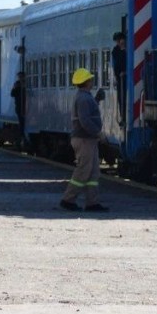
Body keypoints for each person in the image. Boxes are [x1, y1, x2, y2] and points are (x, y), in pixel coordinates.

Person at [59, 68, 108, 212]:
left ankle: (92, 202)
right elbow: (85, 120)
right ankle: (68, 200)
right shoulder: (83, 99)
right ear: (86, 82)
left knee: (93, 172)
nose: (92, 81)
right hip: (84, 139)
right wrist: (98, 133)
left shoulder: (85, 97)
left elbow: (87, 114)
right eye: (90, 79)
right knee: (83, 171)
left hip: (88, 139)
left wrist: (96, 100)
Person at [111, 32, 126, 123]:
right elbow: (115, 65)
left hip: (125, 78)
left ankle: (123, 116)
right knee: (121, 98)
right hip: (120, 78)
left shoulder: (127, 50)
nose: (118, 42)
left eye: (118, 40)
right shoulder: (115, 51)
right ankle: (122, 116)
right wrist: (116, 76)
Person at [10, 71, 26, 147]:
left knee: (23, 122)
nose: (20, 78)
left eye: (21, 76)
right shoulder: (17, 84)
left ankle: (23, 137)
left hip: (26, 106)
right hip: (19, 107)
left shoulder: (26, 83)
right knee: (21, 122)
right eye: (19, 77)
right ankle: (22, 137)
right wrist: (16, 88)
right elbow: (12, 94)